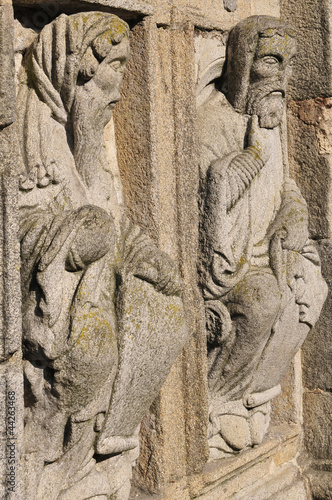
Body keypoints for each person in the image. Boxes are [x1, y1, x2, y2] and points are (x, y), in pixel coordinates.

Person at [18, 12, 185, 499]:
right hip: (50, 309)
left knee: (166, 318)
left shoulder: (87, 147)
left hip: (94, 294)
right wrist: (72, 238)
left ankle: (99, 454)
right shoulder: (34, 148)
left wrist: (143, 254)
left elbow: (112, 216)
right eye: (108, 79)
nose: (116, 96)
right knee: (92, 351)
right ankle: (42, 459)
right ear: (74, 77)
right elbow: (23, 233)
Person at [198, 15, 327, 456]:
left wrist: (293, 218)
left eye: (287, 66)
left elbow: (287, 187)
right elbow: (212, 195)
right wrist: (250, 155)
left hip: (270, 248)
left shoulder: (271, 122)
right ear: (243, 64)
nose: (281, 78)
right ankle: (219, 401)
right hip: (232, 263)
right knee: (262, 301)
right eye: (270, 62)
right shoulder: (212, 123)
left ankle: (258, 391)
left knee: (311, 286)